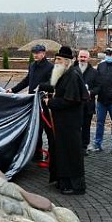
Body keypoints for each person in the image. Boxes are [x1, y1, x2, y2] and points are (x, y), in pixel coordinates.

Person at [42, 45, 88, 194]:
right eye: (56, 59)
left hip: (70, 123)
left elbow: (70, 101)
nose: (56, 62)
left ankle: (75, 185)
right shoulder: (64, 73)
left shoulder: (73, 75)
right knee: (62, 152)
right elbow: (58, 90)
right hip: (62, 122)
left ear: (68, 61)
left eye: (60, 60)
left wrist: (51, 103)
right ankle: (63, 181)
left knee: (71, 154)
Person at [8, 44, 54, 160]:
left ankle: (52, 153)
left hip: (45, 103)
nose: (35, 55)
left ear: (43, 54)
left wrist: (41, 87)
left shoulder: (50, 67)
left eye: (37, 53)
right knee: (35, 129)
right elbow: (27, 80)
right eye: (34, 53)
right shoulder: (32, 66)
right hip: (33, 102)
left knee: (49, 130)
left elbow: (52, 84)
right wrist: (13, 90)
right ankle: (37, 154)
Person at [77, 49, 97, 154]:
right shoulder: (73, 70)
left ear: (88, 59)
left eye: (85, 57)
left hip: (88, 105)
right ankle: (76, 146)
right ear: (77, 57)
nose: (83, 59)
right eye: (81, 57)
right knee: (75, 126)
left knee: (86, 126)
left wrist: (91, 92)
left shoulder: (94, 72)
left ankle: (84, 146)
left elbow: (99, 87)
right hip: (75, 104)